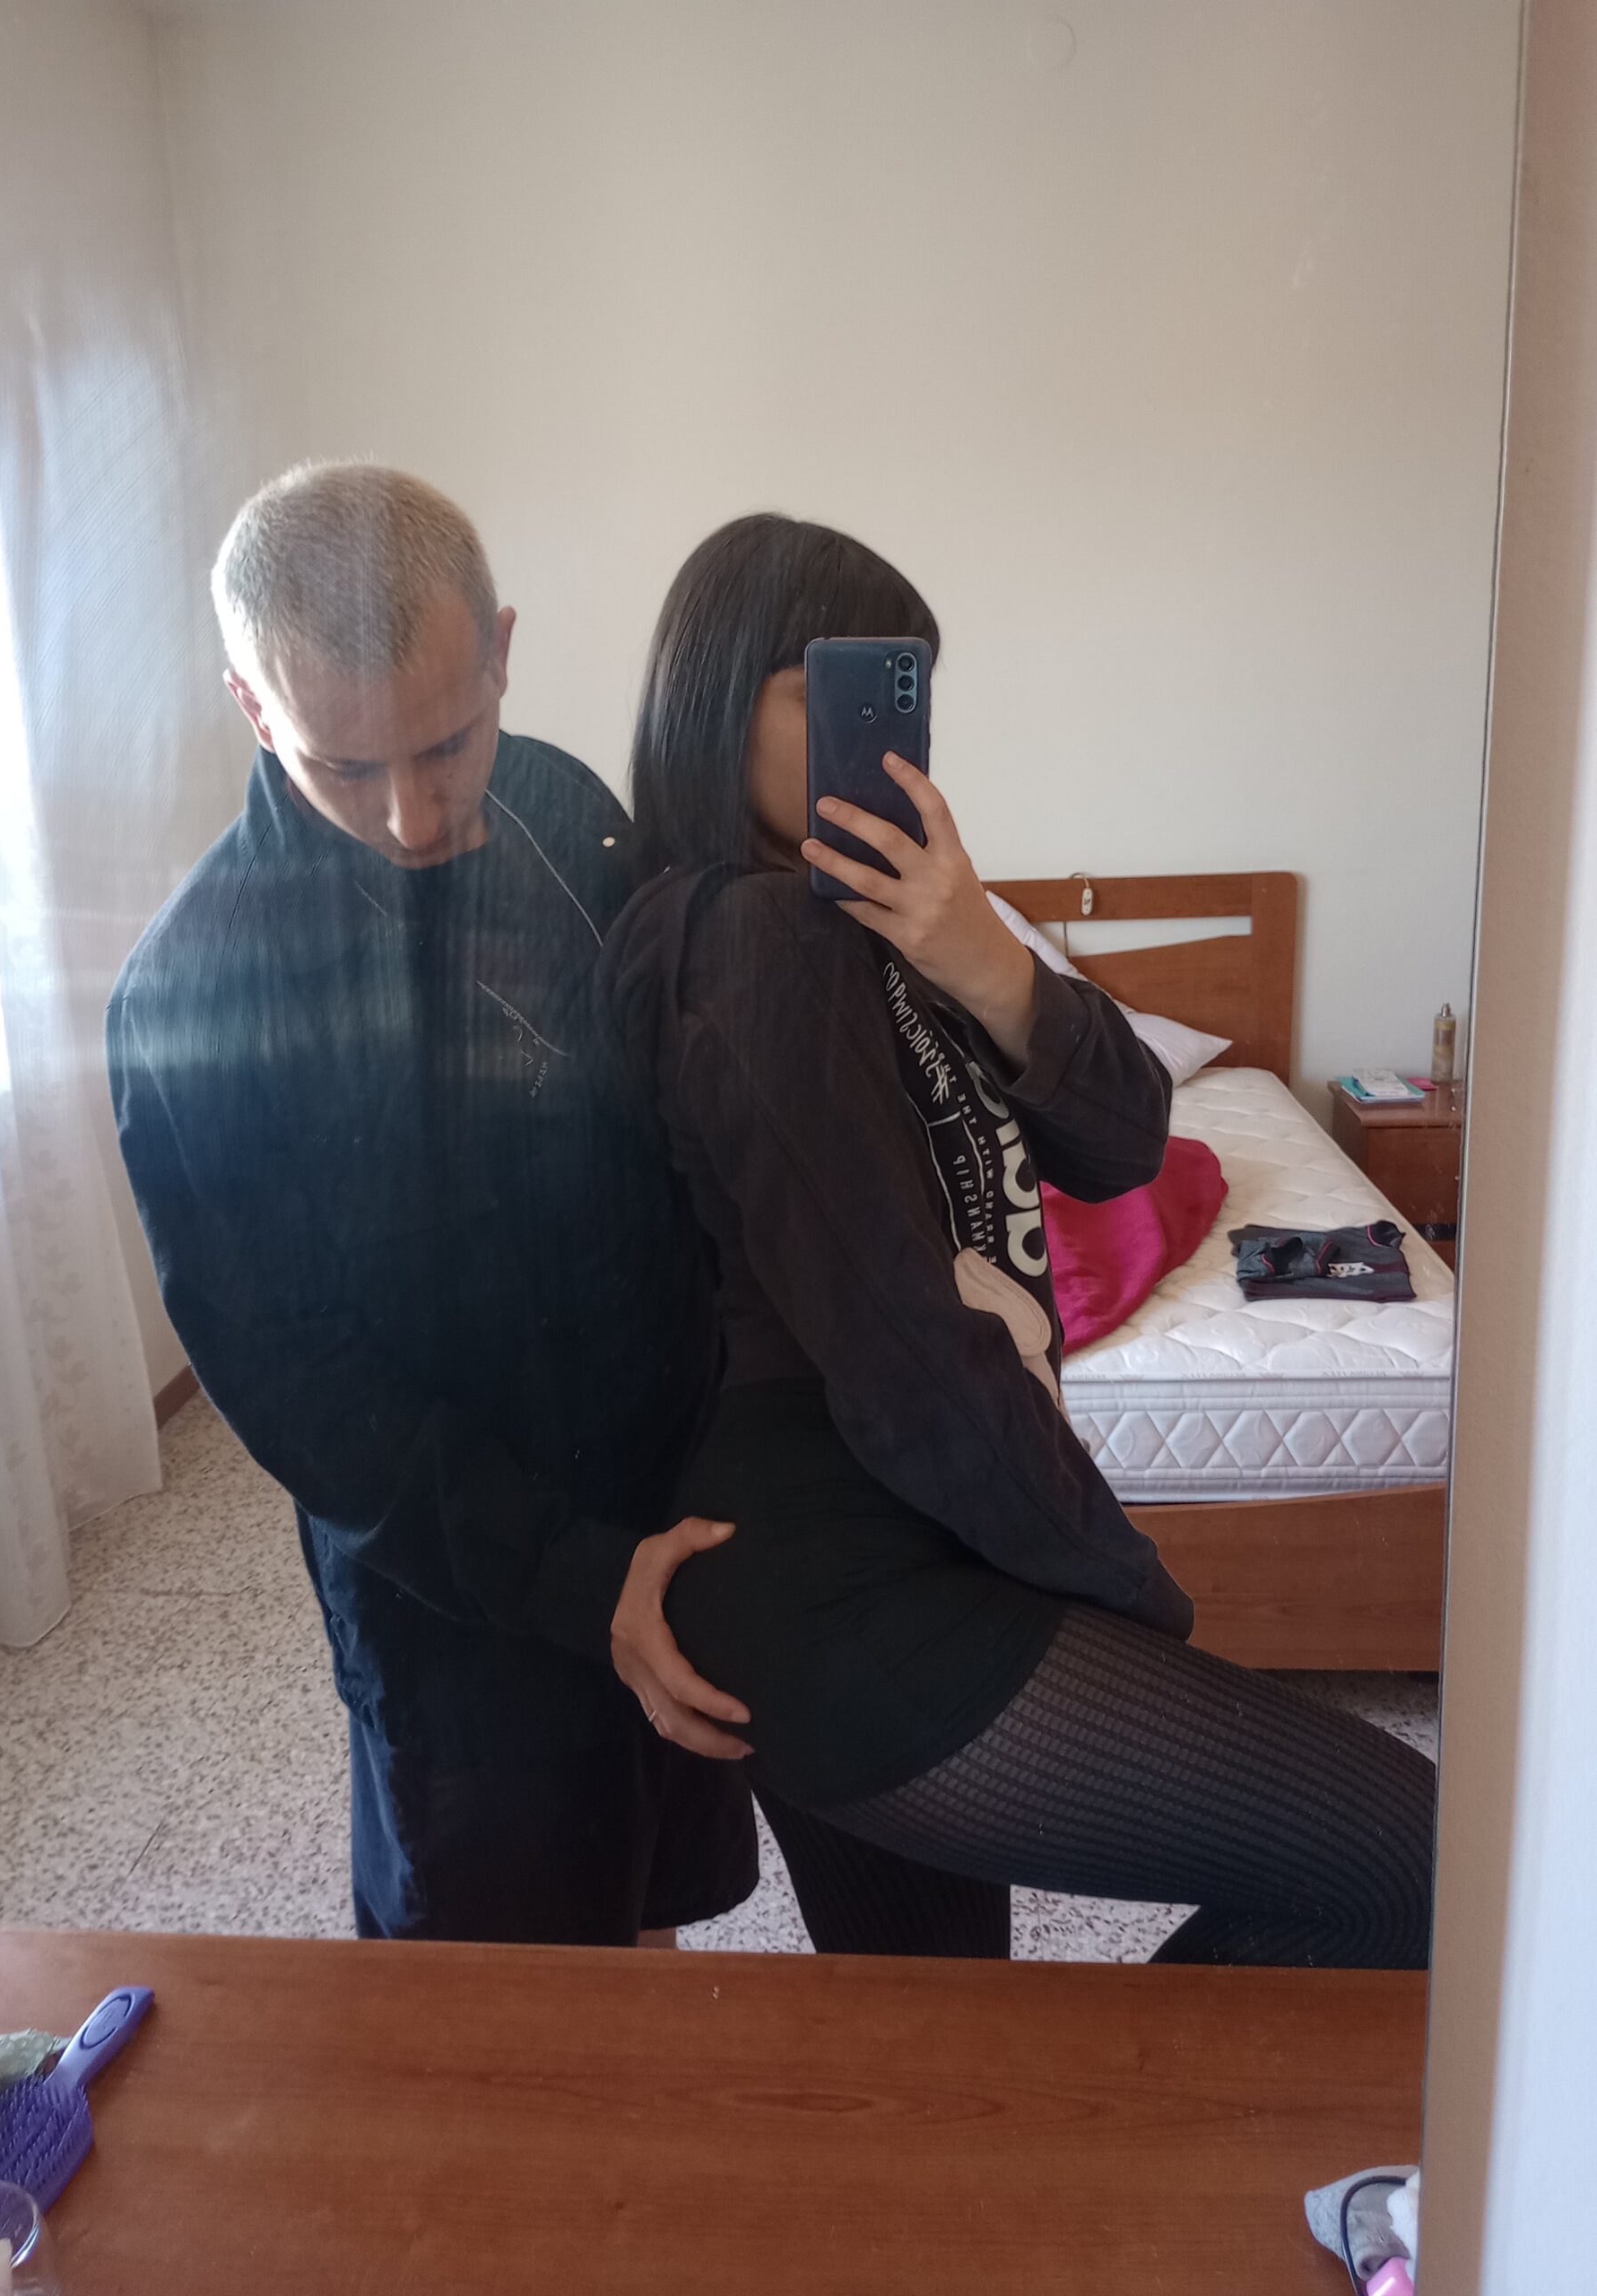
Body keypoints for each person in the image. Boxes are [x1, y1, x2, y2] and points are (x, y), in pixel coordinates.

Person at [108, 463, 1016, 1959]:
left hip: (673, 1489)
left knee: (653, 1900)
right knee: (512, 1986)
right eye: (345, 767)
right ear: (253, 708)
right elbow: (302, 1395)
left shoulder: (567, 812)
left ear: (503, 654)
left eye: (447, 744)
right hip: (462, 1583)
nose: (412, 814)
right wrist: (583, 1581)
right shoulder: (190, 1001)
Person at [603, 512, 1436, 1967]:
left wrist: (986, 954)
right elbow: (904, 1343)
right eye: (829, 692)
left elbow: (1123, 1145)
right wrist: (1113, 1582)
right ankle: (1116, 2127)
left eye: (905, 694)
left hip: (863, 1554)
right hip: (841, 1580)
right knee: (1410, 1854)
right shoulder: (754, 943)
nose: (882, 745)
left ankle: (1024, 2130)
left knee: (934, 2016)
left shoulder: (877, 935)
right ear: (717, 698)